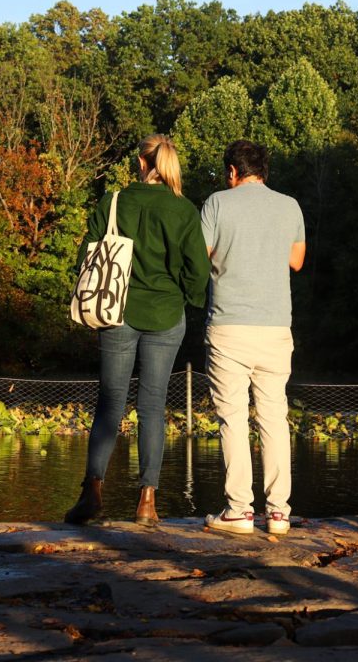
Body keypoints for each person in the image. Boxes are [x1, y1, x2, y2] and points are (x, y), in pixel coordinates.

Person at [65, 134, 210, 527]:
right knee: (152, 407)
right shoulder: (182, 210)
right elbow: (198, 270)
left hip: (117, 311)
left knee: (110, 402)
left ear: (143, 164)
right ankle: (147, 501)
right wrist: (186, 298)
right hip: (165, 316)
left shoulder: (113, 201)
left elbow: (86, 256)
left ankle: (92, 492)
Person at [201, 140, 305, 535]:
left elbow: (202, 254)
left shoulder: (216, 204)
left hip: (229, 324)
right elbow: (296, 261)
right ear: (264, 170)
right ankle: (279, 514)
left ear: (232, 172)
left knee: (232, 417)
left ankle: (240, 511)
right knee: (274, 418)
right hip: (276, 325)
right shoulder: (290, 205)